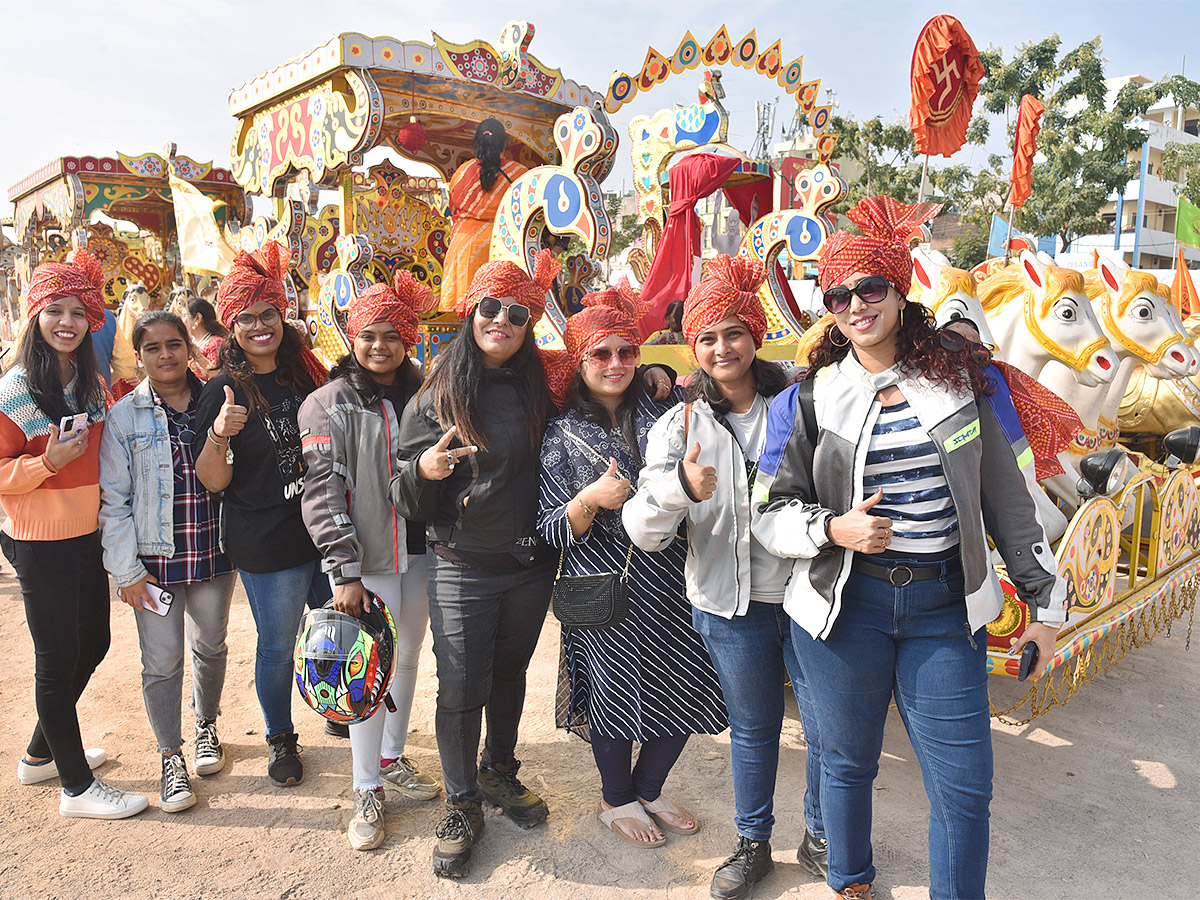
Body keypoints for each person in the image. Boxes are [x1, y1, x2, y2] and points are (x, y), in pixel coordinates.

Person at [751, 196, 1067, 900]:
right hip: (844, 606)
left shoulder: (963, 385)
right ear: (828, 308)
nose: (857, 305)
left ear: (899, 292)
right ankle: (849, 880)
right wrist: (832, 529)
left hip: (942, 609)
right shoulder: (809, 399)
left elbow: (1011, 506)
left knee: (964, 787)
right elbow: (765, 513)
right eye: (840, 295)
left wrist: (1047, 607)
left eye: (871, 288)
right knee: (845, 763)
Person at [623, 255, 827, 900]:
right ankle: (752, 842)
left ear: (756, 335)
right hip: (728, 607)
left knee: (825, 725)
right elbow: (642, 529)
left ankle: (822, 837)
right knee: (756, 728)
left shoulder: (802, 402)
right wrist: (679, 489)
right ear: (693, 350)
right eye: (707, 338)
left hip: (809, 596)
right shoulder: (679, 426)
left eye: (733, 332)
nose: (721, 348)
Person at [537, 282, 727, 849]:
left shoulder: (668, 409)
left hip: (671, 578)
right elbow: (547, 530)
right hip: (601, 589)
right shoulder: (559, 436)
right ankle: (615, 799)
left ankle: (649, 786)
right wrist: (589, 500)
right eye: (601, 353)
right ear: (580, 362)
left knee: (693, 686)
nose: (616, 363)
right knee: (615, 698)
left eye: (627, 351)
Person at [0, 250, 148, 819]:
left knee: (95, 644)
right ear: (35, 316)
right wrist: (45, 463)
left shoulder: (89, 382)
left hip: (86, 533)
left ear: (92, 321)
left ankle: (41, 754)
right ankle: (77, 788)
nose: (67, 322)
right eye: (55, 310)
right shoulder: (15, 389)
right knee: (56, 659)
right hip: (40, 540)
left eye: (78, 312)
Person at [299, 273, 442, 851]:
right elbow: (322, 491)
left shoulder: (426, 396)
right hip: (369, 559)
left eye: (391, 334)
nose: (379, 345)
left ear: (408, 338)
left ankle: (392, 756)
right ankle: (366, 788)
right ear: (351, 337)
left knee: (405, 660)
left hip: (425, 553)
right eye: (368, 335)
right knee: (363, 672)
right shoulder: (327, 404)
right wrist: (345, 570)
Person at [194, 243, 332, 789]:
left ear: (283, 315)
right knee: (278, 643)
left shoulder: (307, 374)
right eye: (246, 318)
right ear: (231, 326)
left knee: (331, 629)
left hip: (322, 532)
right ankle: (280, 736)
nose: (259, 326)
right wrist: (218, 434)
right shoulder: (221, 390)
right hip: (265, 541)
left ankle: (335, 705)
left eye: (267, 314)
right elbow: (214, 481)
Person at [98, 310, 236, 813]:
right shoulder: (123, 416)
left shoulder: (217, 401)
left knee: (211, 646)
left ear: (189, 347)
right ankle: (169, 755)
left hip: (213, 553)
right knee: (161, 662)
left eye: (173, 344)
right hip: (153, 565)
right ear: (139, 356)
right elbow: (113, 501)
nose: (165, 354)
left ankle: (206, 726)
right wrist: (127, 571)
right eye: (152, 347)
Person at [438, 118, 529, 313]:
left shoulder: (462, 172)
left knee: (467, 314)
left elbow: (453, 208)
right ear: (505, 143)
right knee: (498, 311)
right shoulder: (519, 173)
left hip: (463, 247)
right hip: (500, 246)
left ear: (477, 142)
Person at [185, 297, 228, 372]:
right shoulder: (190, 342)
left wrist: (199, 357)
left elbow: (218, 375)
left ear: (197, 318)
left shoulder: (215, 344)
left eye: (184, 315)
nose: (181, 320)